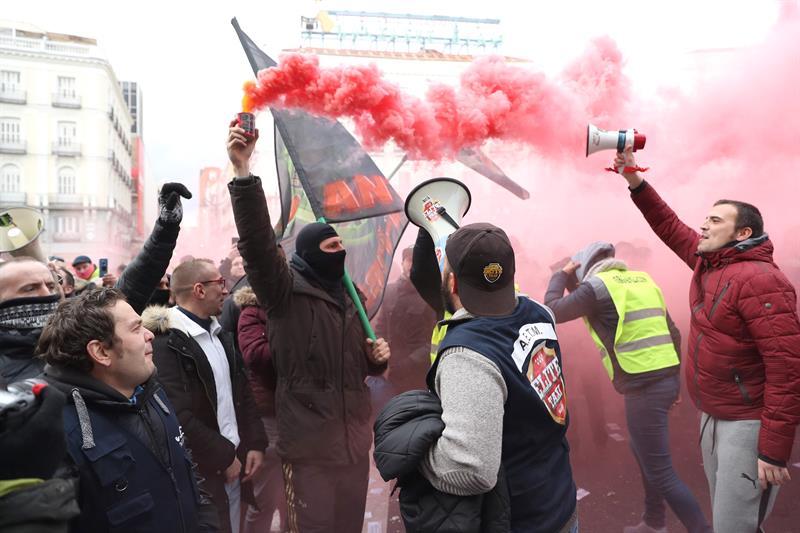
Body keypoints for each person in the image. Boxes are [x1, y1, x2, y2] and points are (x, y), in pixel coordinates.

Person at [613, 148, 800, 533]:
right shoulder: (710, 261)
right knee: (733, 522)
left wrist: (773, 451)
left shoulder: (763, 280)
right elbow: (668, 225)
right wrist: (633, 178)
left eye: (715, 220)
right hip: (712, 415)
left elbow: (787, 369)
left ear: (742, 233)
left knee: (734, 526)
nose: (703, 226)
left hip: (747, 424)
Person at [226, 120, 390, 533]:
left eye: (342, 245)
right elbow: (258, 247)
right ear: (310, 253)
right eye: (332, 246)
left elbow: (355, 367)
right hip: (309, 453)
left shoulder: (351, 296)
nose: (341, 252)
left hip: (353, 450)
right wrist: (243, 173)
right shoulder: (284, 292)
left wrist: (375, 359)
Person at [545, 241, 711, 533]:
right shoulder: (642, 279)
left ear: (583, 268)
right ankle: (654, 522)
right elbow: (673, 333)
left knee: (661, 472)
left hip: (644, 386)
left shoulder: (595, 288)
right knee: (641, 449)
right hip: (663, 379)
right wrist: (674, 382)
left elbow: (552, 310)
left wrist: (561, 274)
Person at [422, 222, 578, 533]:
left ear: (451, 282)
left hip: (520, 521)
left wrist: (419, 455)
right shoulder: (540, 313)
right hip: (560, 500)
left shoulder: (467, 353)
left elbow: (471, 470)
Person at [39, 288, 219, 532]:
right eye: (136, 328)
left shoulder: (151, 392)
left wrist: (207, 523)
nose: (150, 334)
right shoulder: (57, 433)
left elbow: (185, 466)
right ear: (101, 352)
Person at [0, 183, 192, 382]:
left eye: (50, 285)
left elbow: (134, 286)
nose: (47, 294)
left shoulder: (75, 331)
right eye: (30, 288)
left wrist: (165, 228)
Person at [144, 259, 266, 533]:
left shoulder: (218, 333)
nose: (226, 290)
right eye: (219, 283)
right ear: (199, 290)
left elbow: (240, 392)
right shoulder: (166, 342)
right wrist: (224, 457)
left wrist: (255, 443)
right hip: (203, 473)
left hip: (234, 465)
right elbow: (177, 415)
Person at [235, 286, 289, 533]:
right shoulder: (252, 312)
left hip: (297, 411)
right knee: (264, 497)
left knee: (293, 496)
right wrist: (292, 339)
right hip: (269, 413)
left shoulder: (293, 304)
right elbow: (256, 356)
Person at [373, 246, 437, 392]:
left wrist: (409, 363)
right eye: (409, 260)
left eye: (417, 261)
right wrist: (381, 356)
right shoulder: (389, 291)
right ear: (402, 262)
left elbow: (434, 339)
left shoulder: (431, 296)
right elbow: (380, 329)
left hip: (418, 376)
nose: (412, 265)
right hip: (389, 372)